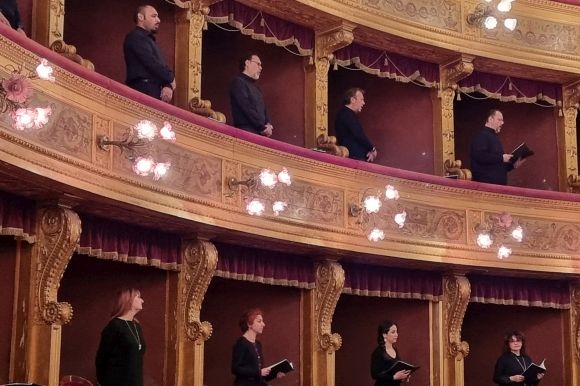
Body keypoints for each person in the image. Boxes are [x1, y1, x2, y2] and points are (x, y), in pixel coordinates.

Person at [123, 5, 176, 102]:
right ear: (141, 17)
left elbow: (161, 65)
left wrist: (167, 85)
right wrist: (170, 78)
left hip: (154, 91)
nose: (158, 20)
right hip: (143, 91)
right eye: (154, 16)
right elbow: (151, 62)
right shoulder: (134, 37)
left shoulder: (150, 40)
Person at [96, 288, 146, 386]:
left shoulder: (136, 326)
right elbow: (101, 358)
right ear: (129, 300)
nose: (142, 300)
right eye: (138, 297)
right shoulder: (114, 326)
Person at [470, 109, 525, 185]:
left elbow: (497, 166)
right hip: (486, 187)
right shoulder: (482, 136)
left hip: (496, 187)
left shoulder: (493, 137)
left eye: (502, 120)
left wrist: (513, 165)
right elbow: (480, 156)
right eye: (499, 120)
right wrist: (502, 158)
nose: (502, 123)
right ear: (490, 119)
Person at [231, 308, 284, 386]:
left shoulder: (258, 344)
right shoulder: (241, 343)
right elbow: (236, 369)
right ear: (249, 324)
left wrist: (274, 374)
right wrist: (258, 372)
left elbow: (259, 374)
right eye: (259, 321)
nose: (263, 324)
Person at [230, 54, 273, 137]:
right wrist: (262, 127)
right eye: (258, 64)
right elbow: (246, 108)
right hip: (246, 132)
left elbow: (264, 109)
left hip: (260, 132)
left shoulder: (256, 87)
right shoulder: (238, 82)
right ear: (247, 63)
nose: (261, 68)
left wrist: (268, 124)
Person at [334, 87, 377, 162]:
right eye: (361, 99)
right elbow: (358, 134)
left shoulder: (345, 113)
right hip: (353, 158)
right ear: (353, 100)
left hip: (353, 157)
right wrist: (372, 149)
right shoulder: (347, 114)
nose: (364, 103)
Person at [370, 320, 411, 386]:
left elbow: (394, 371)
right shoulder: (378, 352)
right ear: (384, 335)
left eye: (397, 332)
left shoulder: (395, 350)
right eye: (393, 332)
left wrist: (403, 376)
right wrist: (394, 377)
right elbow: (375, 375)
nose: (396, 335)